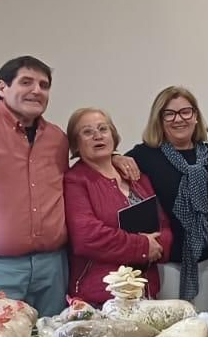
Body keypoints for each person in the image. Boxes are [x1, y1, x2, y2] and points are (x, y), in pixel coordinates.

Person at [0, 55, 139, 316]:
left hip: (53, 269)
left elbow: (82, 170)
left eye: (44, 85)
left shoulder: (56, 138)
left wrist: (113, 157)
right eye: (26, 82)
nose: (37, 90)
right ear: (2, 88)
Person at [126, 86, 208, 312]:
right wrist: (116, 157)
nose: (179, 119)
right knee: (169, 329)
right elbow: (110, 166)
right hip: (166, 262)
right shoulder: (145, 155)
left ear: (195, 116)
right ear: (160, 119)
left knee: (202, 324)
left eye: (185, 112)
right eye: (170, 113)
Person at [63, 108, 174, 305]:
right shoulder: (76, 180)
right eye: (87, 132)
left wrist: (159, 246)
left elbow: (163, 223)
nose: (98, 136)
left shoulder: (134, 175)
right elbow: (87, 237)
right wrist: (143, 246)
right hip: (102, 297)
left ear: (113, 135)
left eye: (103, 129)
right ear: (76, 143)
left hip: (144, 291)